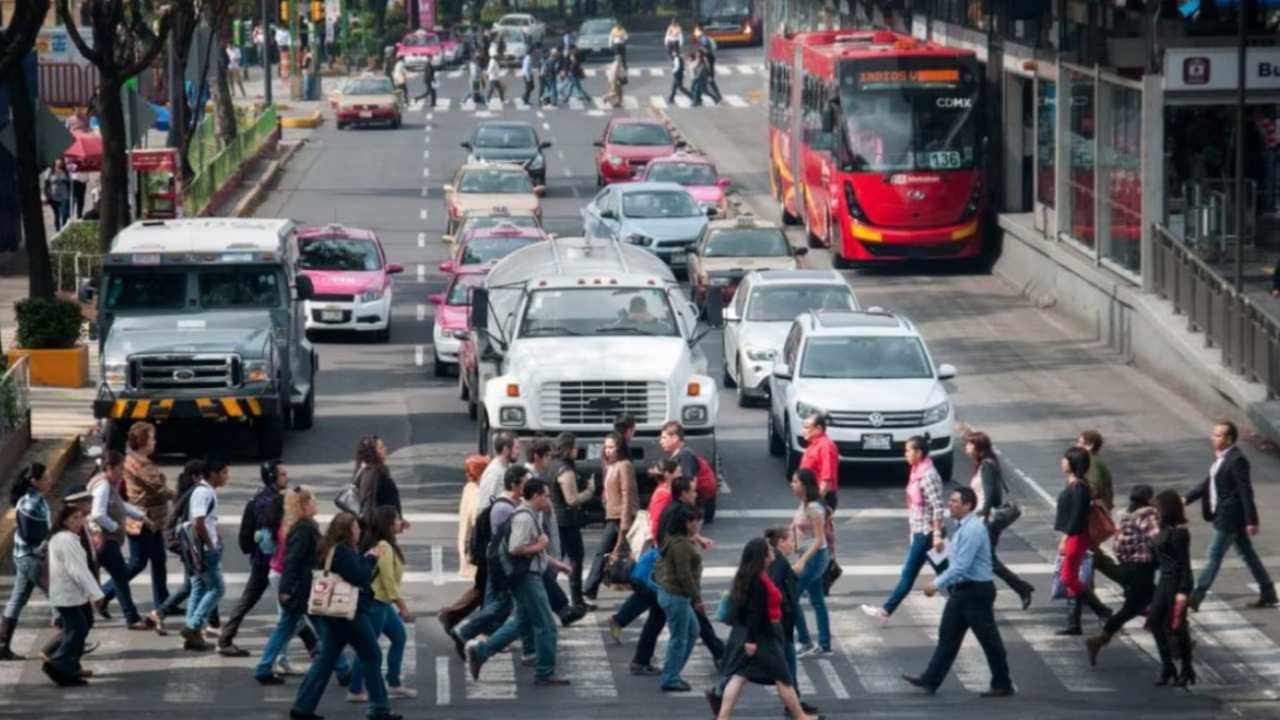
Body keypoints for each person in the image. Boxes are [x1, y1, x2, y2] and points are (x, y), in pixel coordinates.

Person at [901, 487, 1015, 697]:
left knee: (989, 640)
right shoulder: (963, 526)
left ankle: (1002, 683)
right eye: (950, 500)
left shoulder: (973, 529)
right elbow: (958, 558)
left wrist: (936, 584)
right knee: (948, 636)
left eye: (954, 501)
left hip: (976, 592)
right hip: (964, 591)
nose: (950, 504)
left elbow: (961, 566)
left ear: (967, 505)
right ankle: (930, 679)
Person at [290, 513, 401, 720]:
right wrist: (371, 558)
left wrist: (363, 557)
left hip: (332, 614)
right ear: (347, 531)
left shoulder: (331, 549)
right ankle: (379, 708)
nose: (359, 532)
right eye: (356, 529)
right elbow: (359, 576)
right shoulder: (342, 551)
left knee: (326, 660)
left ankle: (302, 707)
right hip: (348, 613)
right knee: (372, 655)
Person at [465, 479, 572, 686]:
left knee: (521, 622)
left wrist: (556, 564)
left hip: (528, 575)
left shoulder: (529, 514)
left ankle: (480, 652)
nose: (549, 500)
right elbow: (516, 548)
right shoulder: (524, 518)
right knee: (546, 624)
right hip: (527, 579)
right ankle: (545, 671)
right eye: (546, 496)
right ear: (535, 496)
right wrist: (540, 545)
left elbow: (530, 549)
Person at [708, 538, 816, 720]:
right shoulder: (758, 581)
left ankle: (723, 717)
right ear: (762, 556)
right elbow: (755, 613)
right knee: (783, 677)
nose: (772, 551)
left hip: (751, 634)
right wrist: (751, 641)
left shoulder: (750, 576)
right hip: (761, 636)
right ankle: (800, 717)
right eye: (769, 549)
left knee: (740, 676)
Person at [1183, 420, 1278, 610]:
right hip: (1224, 514)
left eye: (1217, 435)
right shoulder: (1222, 459)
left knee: (1214, 554)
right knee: (1247, 554)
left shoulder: (1237, 460)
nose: (1213, 438)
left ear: (1229, 439)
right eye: (1214, 434)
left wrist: (1252, 520)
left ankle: (1196, 596)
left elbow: (1245, 491)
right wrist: (1185, 499)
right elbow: (1207, 484)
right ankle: (1268, 591)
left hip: (1230, 517)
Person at [862, 435, 948, 621]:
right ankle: (973, 600)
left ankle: (885, 611)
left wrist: (937, 534)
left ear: (918, 452)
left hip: (928, 534)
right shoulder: (917, 470)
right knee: (948, 573)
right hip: (921, 531)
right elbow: (917, 506)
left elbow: (938, 507)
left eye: (908, 450)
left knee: (908, 575)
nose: (905, 454)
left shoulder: (928, 475)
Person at [217, 460, 288, 657]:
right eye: (282, 474)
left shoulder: (263, 496)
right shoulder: (269, 502)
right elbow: (268, 534)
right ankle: (225, 639)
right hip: (268, 560)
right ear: (273, 477)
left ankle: (313, 645)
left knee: (289, 605)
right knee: (289, 604)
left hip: (265, 560)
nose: (286, 477)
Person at [348, 506, 417, 703]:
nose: (400, 522)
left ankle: (393, 683)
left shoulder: (387, 544)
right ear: (387, 524)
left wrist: (400, 525)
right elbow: (387, 580)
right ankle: (355, 689)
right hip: (376, 604)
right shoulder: (384, 547)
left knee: (399, 638)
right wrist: (403, 607)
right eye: (396, 519)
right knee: (368, 648)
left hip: (384, 603)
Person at [1087, 484, 1160, 666]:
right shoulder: (1148, 516)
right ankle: (1099, 639)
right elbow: (1157, 538)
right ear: (1148, 499)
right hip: (1143, 568)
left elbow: (1118, 545)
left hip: (1127, 567)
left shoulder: (1124, 519)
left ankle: (1178, 642)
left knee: (1146, 605)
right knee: (1136, 608)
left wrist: (1125, 561)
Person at [966, 431, 1034, 608]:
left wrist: (983, 517)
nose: (966, 446)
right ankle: (1014, 589)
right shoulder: (983, 464)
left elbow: (990, 494)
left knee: (986, 559)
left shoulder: (987, 466)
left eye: (969, 444)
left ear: (978, 447)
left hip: (986, 521)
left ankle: (1017, 588)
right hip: (982, 518)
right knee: (984, 559)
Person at [90, 451, 155, 632]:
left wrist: (141, 516)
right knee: (120, 578)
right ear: (110, 468)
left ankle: (99, 603)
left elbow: (120, 505)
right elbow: (97, 513)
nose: (123, 472)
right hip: (104, 540)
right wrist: (114, 527)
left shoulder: (106, 483)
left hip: (102, 540)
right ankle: (131, 618)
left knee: (118, 577)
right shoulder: (103, 485)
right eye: (120, 468)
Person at [43, 504, 104, 687]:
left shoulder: (65, 538)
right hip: (68, 594)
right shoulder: (65, 540)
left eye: (80, 517)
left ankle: (71, 666)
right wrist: (97, 594)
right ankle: (58, 663)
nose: (79, 521)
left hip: (74, 593)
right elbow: (78, 570)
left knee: (82, 625)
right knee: (78, 630)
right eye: (74, 518)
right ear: (64, 521)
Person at [1054, 446, 1112, 635]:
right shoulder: (1071, 483)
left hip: (1077, 536)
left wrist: (1066, 537)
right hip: (1073, 535)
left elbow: (1078, 517)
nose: (1062, 462)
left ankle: (1103, 610)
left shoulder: (1079, 486)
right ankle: (1073, 623)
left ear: (1073, 463)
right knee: (1071, 577)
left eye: (1065, 459)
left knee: (1068, 577)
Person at [0, 463, 53, 660]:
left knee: (17, 600)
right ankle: (65, 644)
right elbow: (31, 535)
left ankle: (2, 644)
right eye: (45, 478)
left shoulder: (36, 500)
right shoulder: (30, 503)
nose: (49, 481)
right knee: (59, 596)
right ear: (34, 482)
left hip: (25, 556)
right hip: (31, 558)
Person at [179, 456, 231, 648]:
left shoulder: (206, 491)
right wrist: (210, 544)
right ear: (213, 474)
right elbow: (198, 522)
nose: (227, 477)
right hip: (204, 549)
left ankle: (192, 635)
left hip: (199, 548)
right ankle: (193, 626)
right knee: (218, 588)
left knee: (199, 587)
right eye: (224, 473)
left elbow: (206, 520)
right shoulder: (204, 492)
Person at [1149, 489, 1197, 687]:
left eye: (1158, 507)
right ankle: (1167, 666)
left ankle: (1187, 668)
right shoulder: (1162, 529)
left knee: (1177, 627)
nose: (1155, 511)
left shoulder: (1179, 533)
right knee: (1154, 621)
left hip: (1176, 583)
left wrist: (1184, 592)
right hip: (1164, 581)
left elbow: (1185, 565)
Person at [653, 505, 703, 692]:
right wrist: (697, 598)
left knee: (692, 631)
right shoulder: (681, 545)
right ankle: (670, 677)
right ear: (686, 523)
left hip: (672, 594)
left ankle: (672, 672)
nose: (697, 524)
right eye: (694, 521)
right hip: (677, 596)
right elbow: (684, 575)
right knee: (679, 638)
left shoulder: (675, 540)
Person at [584, 432, 636, 602]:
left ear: (619, 448)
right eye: (606, 447)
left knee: (637, 555)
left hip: (623, 517)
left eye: (611, 447)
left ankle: (649, 590)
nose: (608, 451)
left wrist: (625, 522)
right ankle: (589, 592)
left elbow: (627, 494)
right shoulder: (610, 465)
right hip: (612, 517)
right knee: (601, 553)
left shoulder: (624, 465)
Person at [549, 433, 595, 610]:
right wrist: (590, 491)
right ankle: (577, 601)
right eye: (575, 447)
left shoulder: (552, 466)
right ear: (567, 449)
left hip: (554, 519)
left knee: (555, 559)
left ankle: (547, 593)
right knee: (575, 558)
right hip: (566, 521)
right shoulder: (565, 470)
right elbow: (572, 499)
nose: (577, 450)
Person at [788, 469, 830, 658]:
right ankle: (824, 644)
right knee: (817, 601)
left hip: (815, 558)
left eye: (795, 481)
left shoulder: (814, 507)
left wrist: (802, 561)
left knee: (791, 597)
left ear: (804, 484)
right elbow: (795, 525)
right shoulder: (804, 503)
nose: (792, 484)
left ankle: (805, 641)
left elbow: (819, 540)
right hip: (808, 556)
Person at [1077, 430, 1122, 585]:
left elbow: (1093, 488)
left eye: (1080, 442)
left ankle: (1088, 592)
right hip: (1096, 512)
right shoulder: (1093, 460)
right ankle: (1126, 580)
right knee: (1092, 554)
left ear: (1089, 446)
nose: (1077, 445)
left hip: (1093, 515)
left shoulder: (1092, 462)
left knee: (1088, 553)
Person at [356, 435, 404, 528]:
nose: (385, 449)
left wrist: (397, 518)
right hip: (380, 530)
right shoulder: (372, 475)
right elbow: (369, 507)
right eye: (381, 448)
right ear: (372, 452)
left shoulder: (377, 472)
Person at [43, 159, 72, 231]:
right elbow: (46, 184)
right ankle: (58, 230)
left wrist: (66, 182)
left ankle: (64, 229)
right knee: (57, 215)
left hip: (64, 196)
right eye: (58, 161)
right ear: (54, 162)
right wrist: (45, 195)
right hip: (53, 197)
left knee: (65, 214)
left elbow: (70, 183)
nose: (60, 163)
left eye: (61, 161)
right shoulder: (50, 171)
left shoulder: (66, 171)